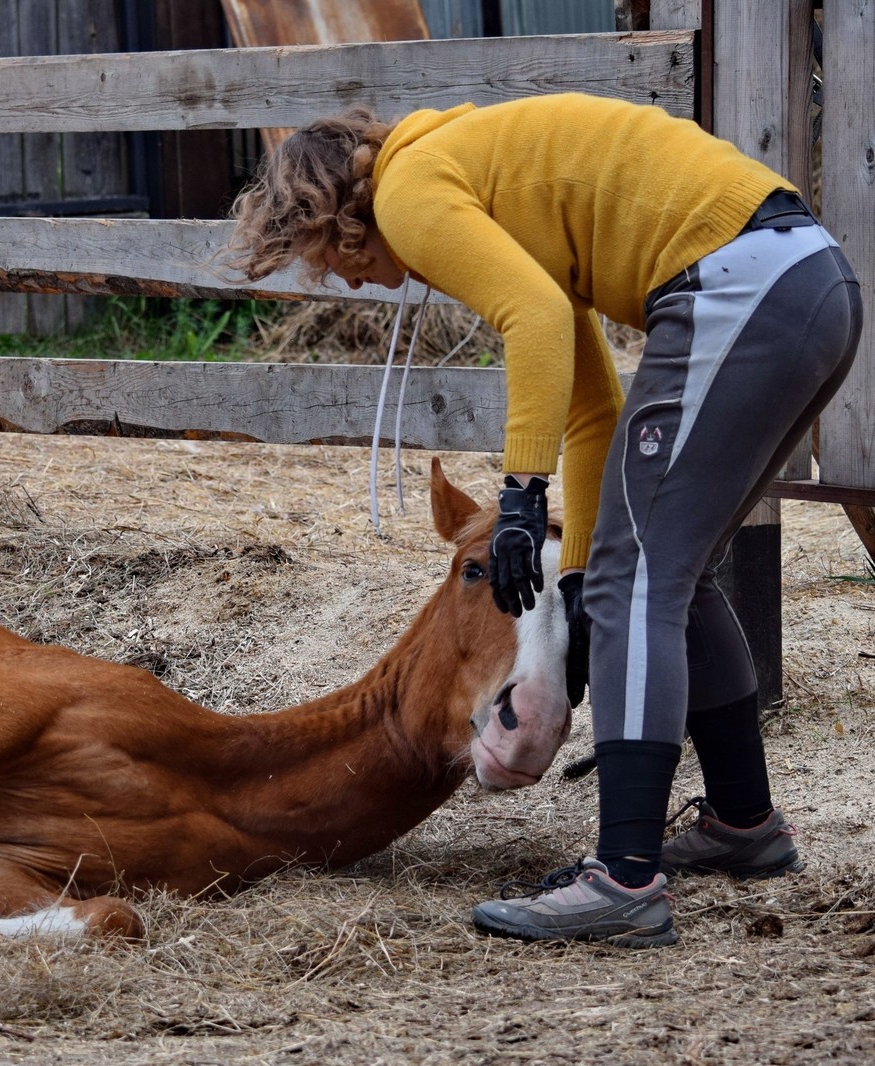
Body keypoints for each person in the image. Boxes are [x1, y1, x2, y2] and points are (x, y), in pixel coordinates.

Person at [224, 92, 862, 947]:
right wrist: (576, 575)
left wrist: (523, 496)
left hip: (738, 284)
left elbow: (528, 323)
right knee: (660, 570)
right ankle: (745, 825)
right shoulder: (476, 174)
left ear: (341, 216)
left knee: (640, 580)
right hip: (800, 282)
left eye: (325, 257)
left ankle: (625, 879)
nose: (344, 280)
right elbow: (590, 403)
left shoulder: (411, 191)